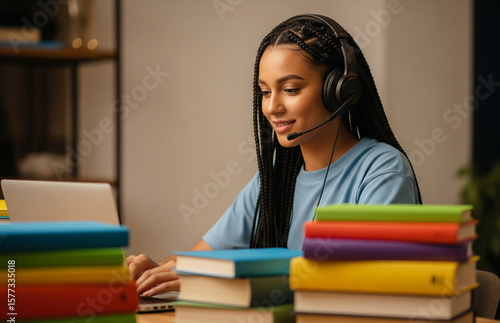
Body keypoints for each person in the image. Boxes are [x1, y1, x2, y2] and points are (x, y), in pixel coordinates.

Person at [127, 14, 422, 296]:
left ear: (340, 91)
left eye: (290, 89)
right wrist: (155, 271)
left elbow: (365, 282)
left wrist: (209, 273)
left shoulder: (382, 170)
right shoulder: (275, 178)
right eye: (265, 92)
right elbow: (201, 258)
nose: (272, 107)